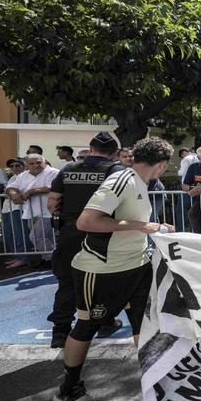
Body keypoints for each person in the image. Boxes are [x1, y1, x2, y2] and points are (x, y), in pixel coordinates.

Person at [53, 137, 176, 401]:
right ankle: (68, 388)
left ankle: (153, 379)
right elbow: (88, 221)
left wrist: (153, 227)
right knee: (87, 326)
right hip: (102, 270)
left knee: (142, 324)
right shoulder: (122, 179)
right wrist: (141, 225)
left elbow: (133, 223)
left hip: (136, 266)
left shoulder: (141, 183)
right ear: (162, 164)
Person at [46, 132, 125, 347]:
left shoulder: (68, 169)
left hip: (70, 232)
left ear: (90, 149)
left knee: (68, 282)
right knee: (103, 281)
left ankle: (60, 331)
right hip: (102, 233)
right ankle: (105, 322)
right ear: (115, 153)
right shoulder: (116, 171)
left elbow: (52, 204)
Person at [4, 153, 59, 268]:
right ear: (26, 165)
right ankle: (51, 259)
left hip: (49, 211)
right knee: (46, 237)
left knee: (36, 236)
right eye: (32, 163)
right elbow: (10, 187)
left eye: (38, 162)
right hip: (30, 212)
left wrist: (31, 191)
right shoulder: (23, 175)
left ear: (44, 162)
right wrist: (14, 194)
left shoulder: (54, 172)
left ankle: (52, 259)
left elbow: (52, 187)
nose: (35, 165)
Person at [0, 158, 30, 266]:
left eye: (17, 165)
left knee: (20, 233)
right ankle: (18, 256)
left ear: (24, 166)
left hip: (18, 208)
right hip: (7, 208)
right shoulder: (13, 177)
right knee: (8, 233)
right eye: (12, 166)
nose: (14, 168)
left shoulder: (26, 176)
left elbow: (19, 190)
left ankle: (23, 258)